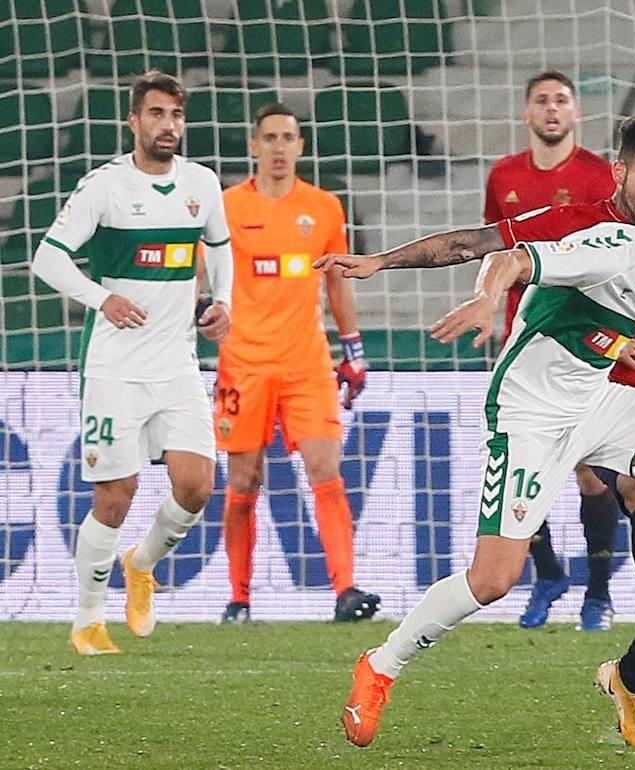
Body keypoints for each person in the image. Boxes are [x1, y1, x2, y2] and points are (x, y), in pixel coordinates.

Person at [339, 190, 635, 747]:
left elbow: (570, 317)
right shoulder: (611, 250)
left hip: (594, 404)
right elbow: (510, 259)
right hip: (528, 420)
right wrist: (484, 299)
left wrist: (609, 343)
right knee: (493, 580)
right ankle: (380, 665)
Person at [29, 70, 233, 654]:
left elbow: (219, 247)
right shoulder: (105, 187)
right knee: (115, 496)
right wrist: (102, 297)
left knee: (196, 485)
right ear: (134, 120)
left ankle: (140, 566)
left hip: (177, 365)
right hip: (114, 368)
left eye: (175, 115)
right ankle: (88, 619)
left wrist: (224, 302)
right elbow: (49, 258)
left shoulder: (201, 183)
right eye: (156, 114)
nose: (167, 126)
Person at [215, 103, 380, 624]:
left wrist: (352, 348)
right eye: (270, 137)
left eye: (289, 137)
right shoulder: (225, 208)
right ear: (253, 145)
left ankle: (346, 590)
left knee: (325, 467)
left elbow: (337, 282)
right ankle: (239, 598)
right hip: (243, 361)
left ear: (301, 146)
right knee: (243, 479)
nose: (279, 147)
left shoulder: (324, 208)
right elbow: (207, 280)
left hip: (307, 360)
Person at [484, 70, 621, 631]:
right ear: (526, 113)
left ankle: (599, 593)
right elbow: (496, 249)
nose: (551, 109)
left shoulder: (596, 175)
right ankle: (546, 573)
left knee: (591, 475)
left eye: (561, 100)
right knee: (520, 461)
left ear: (576, 113)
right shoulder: (505, 176)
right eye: (541, 101)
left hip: (582, 340)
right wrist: (490, 308)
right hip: (523, 338)